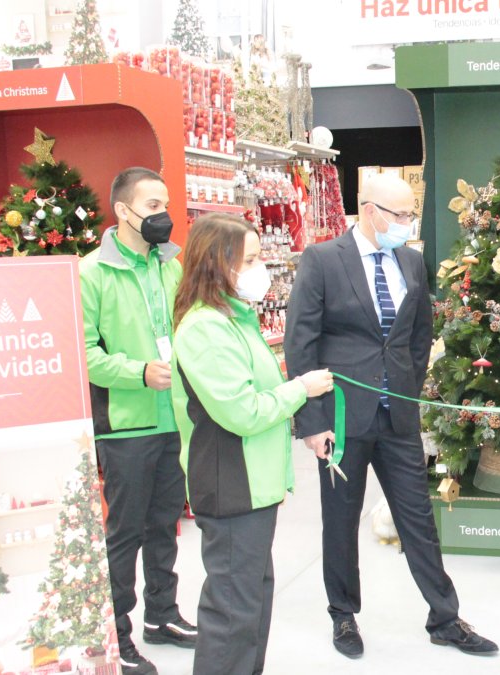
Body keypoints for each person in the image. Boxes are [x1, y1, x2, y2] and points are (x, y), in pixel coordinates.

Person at [285, 173, 497, 658]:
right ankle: (343, 616)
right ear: (370, 211)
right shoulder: (321, 261)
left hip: (398, 415)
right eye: (400, 215)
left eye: (411, 215)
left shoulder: (411, 261)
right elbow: (301, 343)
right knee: (339, 521)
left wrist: (406, 384)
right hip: (341, 418)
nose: (408, 223)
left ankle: (444, 618)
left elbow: (419, 334)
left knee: (418, 518)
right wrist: (314, 424)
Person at [169, 214, 335, 675]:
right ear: (217, 264)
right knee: (232, 613)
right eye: (252, 259)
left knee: (251, 603)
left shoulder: (235, 320)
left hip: (253, 485)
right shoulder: (205, 329)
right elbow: (242, 411)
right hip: (230, 483)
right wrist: (301, 389)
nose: (261, 267)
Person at [80, 167, 196, 675]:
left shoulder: (171, 265)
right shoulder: (91, 273)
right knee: (124, 531)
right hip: (126, 424)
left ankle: (162, 615)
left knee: (164, 525)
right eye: (152, 206)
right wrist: (136, 373)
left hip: (173, 419)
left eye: (165, 205)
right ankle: (117, 634)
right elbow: (81, 353)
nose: (163, 216)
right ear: (123, 212)